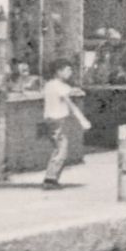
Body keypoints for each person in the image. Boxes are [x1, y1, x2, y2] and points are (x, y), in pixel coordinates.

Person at [40, 60, 90, 190]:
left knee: (58, 148)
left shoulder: (49, 85)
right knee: (62, 150)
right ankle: (50, 179)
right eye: (67, 70)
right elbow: (71, 105)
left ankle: (51, 177)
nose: (70, 73)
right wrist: (83, 120)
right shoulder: (61, 87)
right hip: (58, 120)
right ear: (59, 71)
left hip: (49, 119)